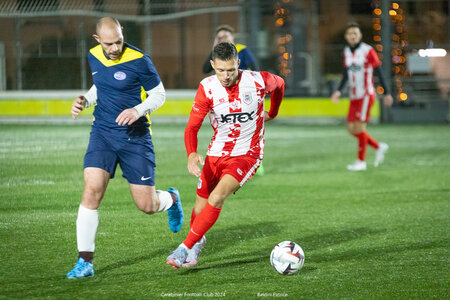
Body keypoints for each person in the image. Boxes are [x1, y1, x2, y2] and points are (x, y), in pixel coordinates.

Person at [66, 17, 184, 279]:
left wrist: (138, 110)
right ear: (98, 40)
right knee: (92, 189)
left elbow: (159, 94)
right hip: (103, 133)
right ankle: (85, 261)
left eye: (118, 41)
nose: (115, 47)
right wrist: (85, 100)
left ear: (123, 34)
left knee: (147, 205)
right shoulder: (94, 55)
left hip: (135, 137)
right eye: (109, 43)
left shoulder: (140, 59)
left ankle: (172, 199)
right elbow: (102, 87)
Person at [166, 42, 284, 269]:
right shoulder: (207, 87)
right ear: (212, 65)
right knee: (200, 208)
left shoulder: (257, 80)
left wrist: (274, 112)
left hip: (247, 153)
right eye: (220, 70)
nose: (226, 76)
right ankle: (196, 244)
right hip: (216, 152)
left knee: (217, 197)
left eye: (231, 70)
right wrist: (191, 154)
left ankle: (184, 248)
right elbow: (192, 127)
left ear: (238, 63)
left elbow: (280, 84)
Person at [331, 22, 393, 171]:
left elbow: (379, 72)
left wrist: (387, 92)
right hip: (354, 95)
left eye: (355, 34)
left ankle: (361, 162)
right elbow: (346, 73)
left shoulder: (368, 51)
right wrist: (338, 90)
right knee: (351, 129)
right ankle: (378, 146)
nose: (352, 36)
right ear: (346, 36)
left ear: (360, 36)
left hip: (366, 94)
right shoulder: (346, 51)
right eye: (349, 34)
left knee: (359, 128)